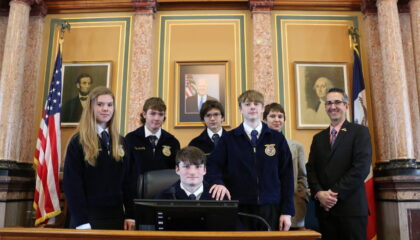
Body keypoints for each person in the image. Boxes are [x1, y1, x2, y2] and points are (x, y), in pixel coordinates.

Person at [206, 90, 295, 231]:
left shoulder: (277, 138)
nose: (252, 107)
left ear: (262, 108)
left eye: (256, 104)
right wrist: (218, 182)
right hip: (239, 208)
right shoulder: (229, 139)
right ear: (240, 109)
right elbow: (212, 166)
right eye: (247, 104)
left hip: (271, 208)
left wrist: (287, 211)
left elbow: (287, 176)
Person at [63, 86, 135, 230]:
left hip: (116, 217)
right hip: (87, 218)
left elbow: (129, 182)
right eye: (100, 104)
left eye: (109, 105)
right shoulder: (78, 142)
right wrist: (81, 221)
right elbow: (72, 185)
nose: (105, 109)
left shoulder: (122, 142)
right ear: (91, 107)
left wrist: (130, 215)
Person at [306, 88, 372, 240]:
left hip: (351, 210)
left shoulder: (359, 132)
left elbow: (361, 168)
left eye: (337, 102)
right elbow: (311, 170)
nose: (332, 106)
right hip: (325, 212)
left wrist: (333, 195)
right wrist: (318, 193)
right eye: (328, 103)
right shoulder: (318, 138)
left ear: (346, 106)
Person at [263, 103, 309, 229]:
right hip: (267, 206)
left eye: (280, 116)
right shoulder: (257, 145)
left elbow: (302, 177)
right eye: (272, 116)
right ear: (264, 119)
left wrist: (299, 200)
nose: (277, 119)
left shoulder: (296, 146)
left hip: (291, 204)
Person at [125, 97, 180, 179]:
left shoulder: (172, 142)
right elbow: (126, 171)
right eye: (153, 113)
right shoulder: (131, 139)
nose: (156, 118)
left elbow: (176, 173)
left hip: (164, 190)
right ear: (144, 114)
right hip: (136, 190)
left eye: (160, 114)